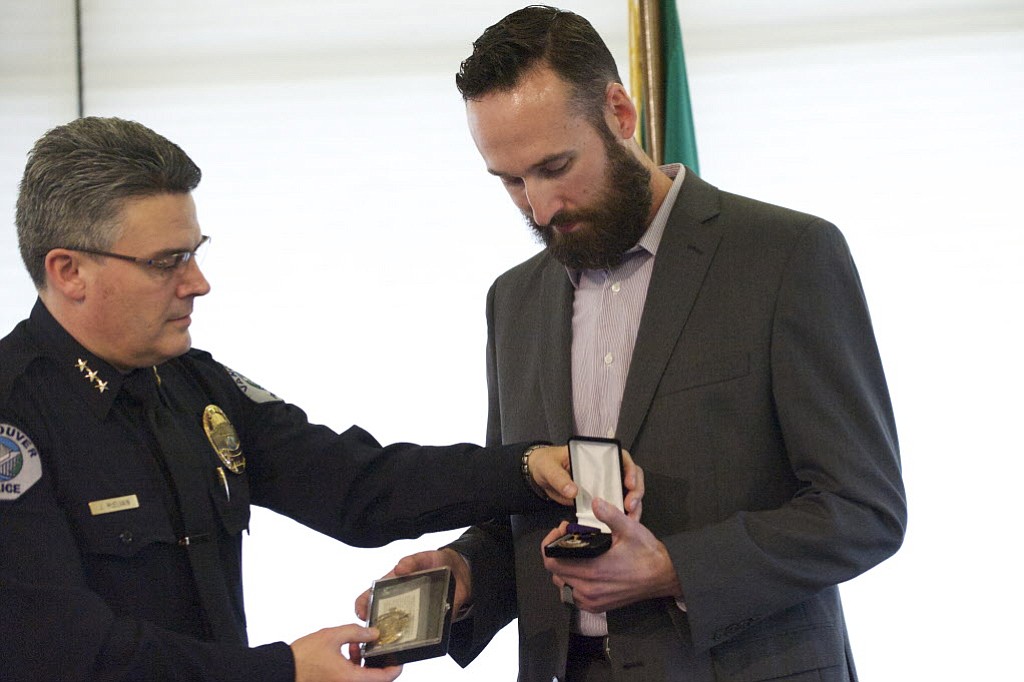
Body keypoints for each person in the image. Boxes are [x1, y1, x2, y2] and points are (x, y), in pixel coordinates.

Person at [0, 116, 643, 682]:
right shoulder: (15, 417)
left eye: (195, 252)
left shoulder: (192, 386)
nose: (198, 283)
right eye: (167, 261)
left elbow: (355, 487)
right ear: (69, 271)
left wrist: (525, 467)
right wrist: (283, 673)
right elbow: (68, 653)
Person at [370, 6, 907, 681]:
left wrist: (671, 569)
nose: (538, 208)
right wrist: (467, 570)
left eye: (554, 166)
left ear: (620, 114)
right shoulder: (512, 299)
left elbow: (862, 510)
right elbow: (527, 509)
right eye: (510, 181)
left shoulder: (786, 256)